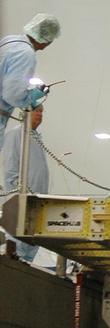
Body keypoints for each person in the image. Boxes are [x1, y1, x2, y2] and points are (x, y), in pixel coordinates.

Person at [0, 14, 61, 154]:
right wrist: (33, 97)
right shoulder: (26, 54)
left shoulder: (9, 42)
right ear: (47, 40)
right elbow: (13, 95)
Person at [1, 104, 50, 264]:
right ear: (26, 113)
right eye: (37, 111)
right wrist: (17, 194)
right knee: (19, 238)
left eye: (42, 112)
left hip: (37, 201)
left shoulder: (35, 137)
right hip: (21, 199)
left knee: (32, 242)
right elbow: (10, 167)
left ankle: (26, 265)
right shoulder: (16, 135)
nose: (40, 115)